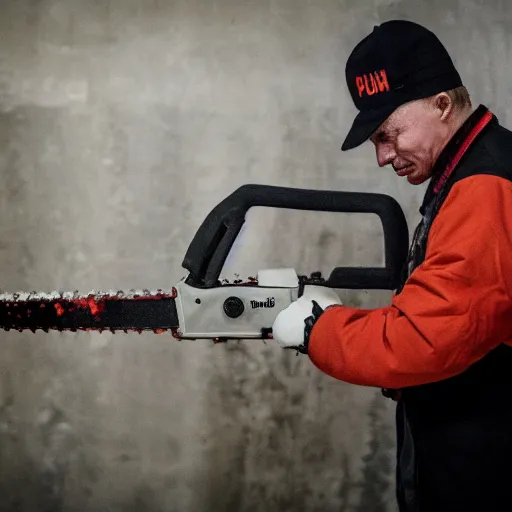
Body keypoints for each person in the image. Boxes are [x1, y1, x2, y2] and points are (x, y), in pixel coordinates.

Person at [271, 19, 512, 512]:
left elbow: (424, 339)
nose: (382, 156)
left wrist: (321, 328)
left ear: (441, 104)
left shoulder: (486, 186)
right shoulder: (465, 174)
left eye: (388, 133)